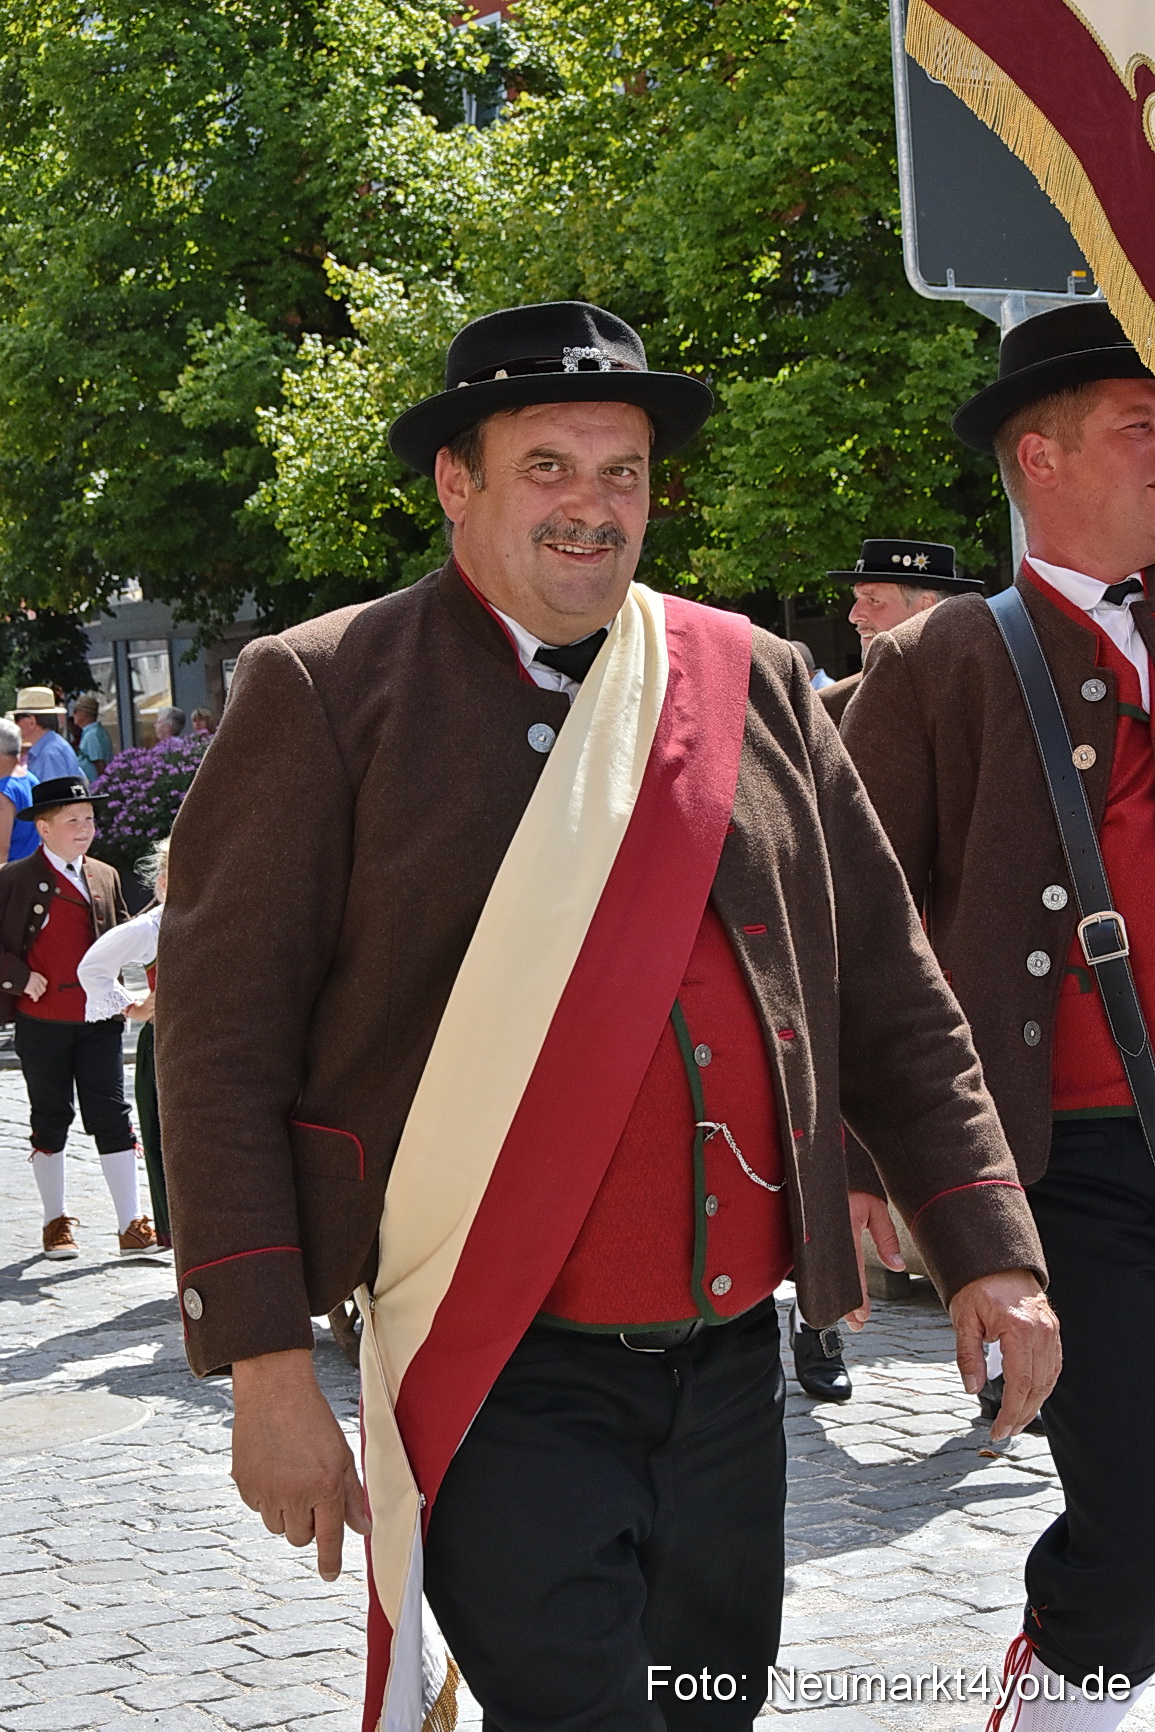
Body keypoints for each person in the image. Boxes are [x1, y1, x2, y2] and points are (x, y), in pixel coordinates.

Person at [156, 300, 1059, 1732]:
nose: (592, 508)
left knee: (706, 1707)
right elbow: (214, 1052)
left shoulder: (748, 678)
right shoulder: (325, 689)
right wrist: (264, 1365)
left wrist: (984, 1250)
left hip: (726, 1374)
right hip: (494, 1365)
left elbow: (888, 990)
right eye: (547, 468)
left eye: (620, 470)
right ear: (457, 482)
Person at [841, 300, 1155, 1732]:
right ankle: (1063, 1692)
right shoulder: (941, 664)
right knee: (1136, 1501)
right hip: (1068, 1162)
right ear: (1037, 456)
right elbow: (852, 926)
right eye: (1140, 430)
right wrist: (860, 1163)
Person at [0, 776, 160, 1260]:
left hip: (100, 1022)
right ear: (44, 829)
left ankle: (131, 1224)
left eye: (89, 819)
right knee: (50, 1117)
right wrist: (18, 977)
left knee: (113, 1115)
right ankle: (55, 1224)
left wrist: (132, 1001)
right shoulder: (12, 879)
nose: (84, 827)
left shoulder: (106, 876)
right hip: (42, 1019)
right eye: (73, 820)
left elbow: (127, 941)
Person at [78, 837, 171, 1249]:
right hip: (168, 1048)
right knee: (171, 1146)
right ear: (164, 885)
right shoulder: (153, 928)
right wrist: (133, 1007)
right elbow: (93, 965)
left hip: (231, 1048)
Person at [818, 540, 985, 723]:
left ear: (926, 607)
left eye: (873, 600)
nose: (854, 615)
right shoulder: (830, 708)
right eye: (857, 599)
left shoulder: (986, 689)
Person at [11, 687, 84, 783]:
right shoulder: (51, 747)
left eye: (17, 718)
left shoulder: (50, 753)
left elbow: (54, 795)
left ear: (32, 722)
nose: (15, 724)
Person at [0, 719, 37, 864]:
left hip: (10, 879)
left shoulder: (3, 792)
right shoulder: (31, 779)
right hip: (32, 872)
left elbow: (2, 849)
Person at [72, 695, 113, 782]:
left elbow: (100, 765)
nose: (73, 715)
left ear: (85, 714)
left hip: (93, 787)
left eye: (76, 711)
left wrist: (100, 787)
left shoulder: (92, 735)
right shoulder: (93, 732)